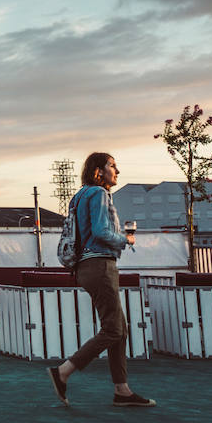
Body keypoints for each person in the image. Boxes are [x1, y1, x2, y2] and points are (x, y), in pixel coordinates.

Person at [46, 153, 156, 407]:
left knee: (120, 329)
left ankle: (122, 390)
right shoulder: (99, 193)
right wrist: (126, 239)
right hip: (100, 265)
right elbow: (100, 231)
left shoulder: (79, 196)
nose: (117, 170)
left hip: (85, 267)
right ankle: (63, 371)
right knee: (113, 329)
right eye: (112, 165)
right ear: (98, 170)